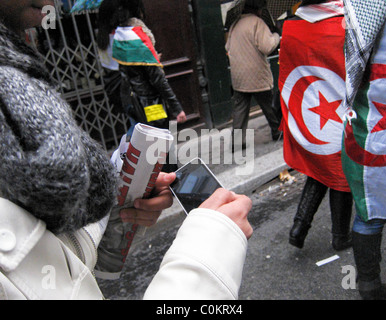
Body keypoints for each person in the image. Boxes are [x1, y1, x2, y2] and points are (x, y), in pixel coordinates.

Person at [0, 0, 252, 300]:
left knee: (149, 146)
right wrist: (211, 248)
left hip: (136, 104)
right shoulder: (133, 33)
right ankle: (170, 171)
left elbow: (44, 254)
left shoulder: (111, 38)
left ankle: (165, 172)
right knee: (161, 142)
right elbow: (157, 76)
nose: (52, 4)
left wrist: (117, 209)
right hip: (154, 105)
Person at [278, 0, 353, 250]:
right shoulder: (344, 23)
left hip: (308, 111)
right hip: (338, 107)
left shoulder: (291, 26)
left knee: (318, 168)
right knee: (340, 171)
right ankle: (340, 236)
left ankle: (299, 228)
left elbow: (286, 70)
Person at [341, 0, 386, 300]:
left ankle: (368, 285)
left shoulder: (360, 13)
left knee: (369, 212)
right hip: (383, 129)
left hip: (369, 131)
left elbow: (351, 71)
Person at [106, 0, 186, 172]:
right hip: (150, 103)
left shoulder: (119, 39)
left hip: (131, 100)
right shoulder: (139, 39)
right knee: (162, 140)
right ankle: (170, 176)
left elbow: (129, 71)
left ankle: (144, 174)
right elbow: (158, 80)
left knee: (142, 140)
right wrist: (177, 108)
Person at [226, 0, 281, 150]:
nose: (262, 12)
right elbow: (267, 46)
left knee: (240, 109)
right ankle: (277, 131)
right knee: (269, 105)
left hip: (238, 75)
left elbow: (227, 46)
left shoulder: (234, 24)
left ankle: (237, 141)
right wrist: (276, 35)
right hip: (257, 74)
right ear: (256, 9)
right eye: (261, 9)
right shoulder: (257, 22)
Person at [97, 0, 137, 138]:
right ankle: (129, 153)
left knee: (135, 123)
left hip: (118, 89)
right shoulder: (122, 36)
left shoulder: (102, 39)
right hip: (134, 87)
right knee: (144, 125)